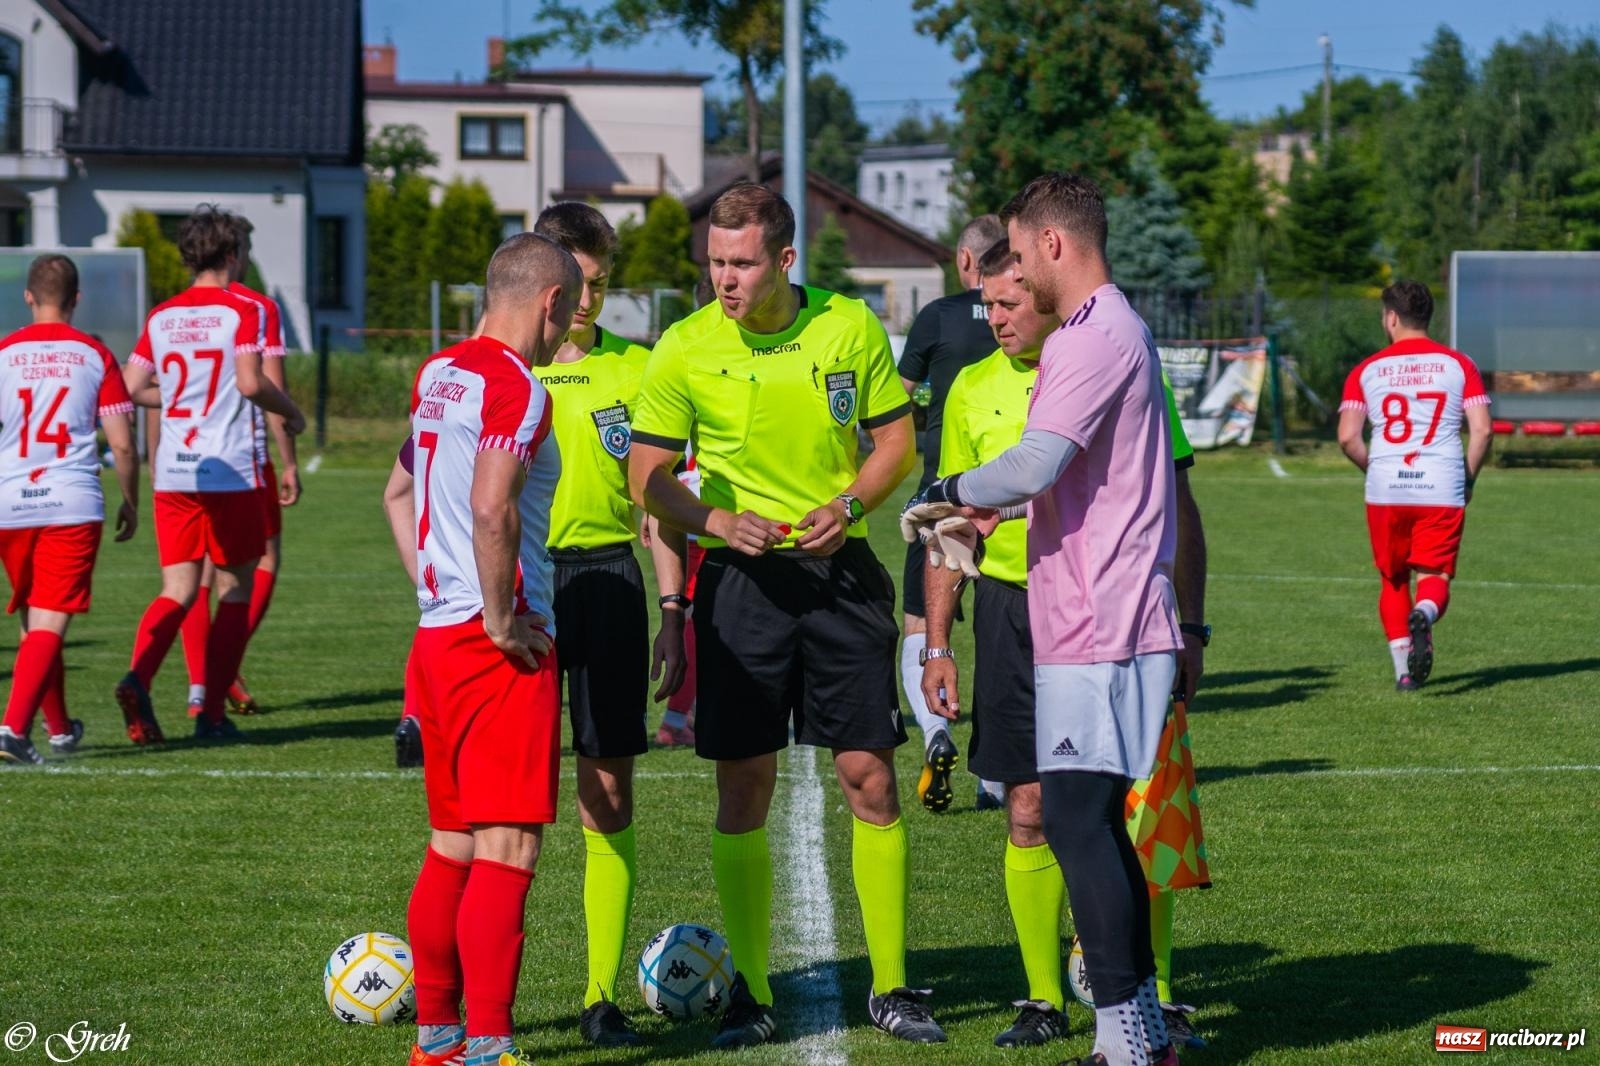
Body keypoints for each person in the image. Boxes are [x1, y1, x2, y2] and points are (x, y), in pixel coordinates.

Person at [627, 182, 945, 1048]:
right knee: (743, 787)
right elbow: (647, 475)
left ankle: (893, 987)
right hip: (739, 589)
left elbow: (895, 444)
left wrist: (847, 502)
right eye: (715, 264)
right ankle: (754, 995)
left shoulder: (846, 327)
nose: (724, 280)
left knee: (869, 779)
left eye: (741, 263)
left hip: (841, 580)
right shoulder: (684, 347)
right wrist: (714, 521)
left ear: (785, 260)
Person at [906, 172, 1182, 1066]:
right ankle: (1132, 1039)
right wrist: (999, 512)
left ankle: (1128, 1045)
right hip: (1096, 613)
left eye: (1020, 254)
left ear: (1054, 246)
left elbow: (1034, 461)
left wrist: (950, 492)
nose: (1014, 271)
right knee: (1085, 820)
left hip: (1099, 618)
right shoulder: (1109, 329)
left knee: (1073, 821)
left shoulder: (1092, 336)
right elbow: (1072, 483)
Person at [400, 232, 580, 1066]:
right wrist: (503, 616)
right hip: (490, 646)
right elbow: (491, 508)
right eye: (570, 311)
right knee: (508, 848)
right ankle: (488, 1044)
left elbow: (399, 494)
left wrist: (436, 588)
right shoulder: (518, 386)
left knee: (454, 843)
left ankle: (436, 1036)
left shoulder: (438, 374)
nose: (568, 329)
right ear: (550, 301)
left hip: (436, 637)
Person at [528, 201, 688, 1047]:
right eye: (579, 281)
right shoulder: (500, 371)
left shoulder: (640, 368)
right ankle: (491, 1006)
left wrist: (672, 610)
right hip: (523, 591)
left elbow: (657, 504)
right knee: (512, 804)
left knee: (608, 792)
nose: (589, 299)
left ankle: (597, 999)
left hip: (610, 584)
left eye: (601, 281)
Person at [117, 205, 305, 744]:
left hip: (175, 471)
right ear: (230, 254)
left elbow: (132, 387)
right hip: (231, 468)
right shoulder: (241, 310)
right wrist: (288, 410)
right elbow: (250, 384)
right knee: (237, 587)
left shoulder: (163, 315)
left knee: (177, 588)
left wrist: (178, 398)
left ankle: (138, 677)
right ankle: (211, 714)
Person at [0, 255, 140, 763]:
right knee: (52, 620)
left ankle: (58, 727)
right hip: (71, 501)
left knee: (36, 619)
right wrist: (130, 501)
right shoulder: (94, 354)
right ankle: (12, 730)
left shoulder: (4, 351)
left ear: (28, 297)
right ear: (77, 299)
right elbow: (123, 445)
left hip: (11, 502)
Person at [896, 212, 1008, 813]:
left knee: (922, 625)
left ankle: (936, 733)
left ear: (966, 261)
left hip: (942, 494)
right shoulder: (1023, 317)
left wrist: (923, 406)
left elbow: (899, 395)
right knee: (999, 633)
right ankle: (993, 777)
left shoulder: (937, 317)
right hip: (1010, 503)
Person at [1337, 280, 1491, 690]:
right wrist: (1469, 478)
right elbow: (1482, 432)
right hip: (1441, 482)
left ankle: (1405, 673)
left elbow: (1348, 437)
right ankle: (1425, 611)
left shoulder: (1366, 370)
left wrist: (1375, 467)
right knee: (1434, 574)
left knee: (1392, 580)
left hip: (1386, 486)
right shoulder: (1460, 365)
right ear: (1428, 317)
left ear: (1390, 318)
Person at [176, 212, 301, 718]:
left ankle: (198, 686)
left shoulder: (172, 313)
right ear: (233, 253)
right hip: (242, 458)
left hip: (182, 460)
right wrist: (288, 460)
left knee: (197, 574)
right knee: (260, 562)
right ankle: (218, 670)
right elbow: (269, 388)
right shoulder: (255, 307)